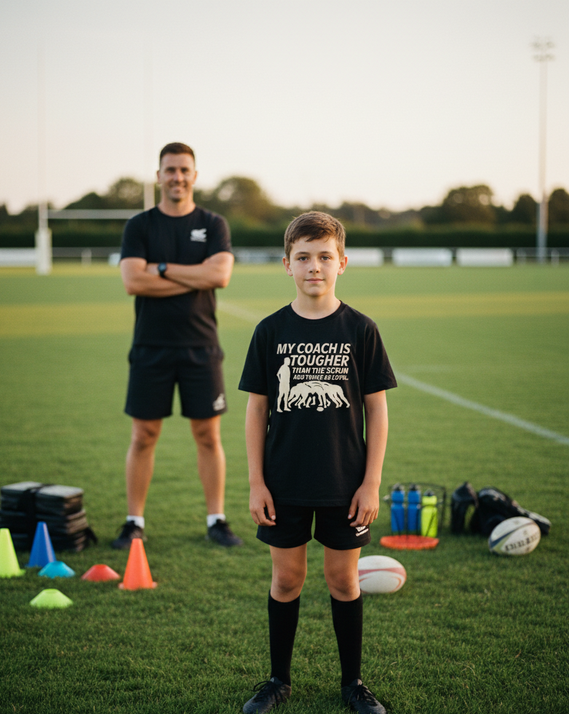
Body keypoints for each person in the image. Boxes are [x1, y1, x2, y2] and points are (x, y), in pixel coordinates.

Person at [238, 212, 397, 713]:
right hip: (283, 481)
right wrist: (256, 482)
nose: (314, 267)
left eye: (324, 257)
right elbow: (256, 409)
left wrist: (370, 483)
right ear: (286, 264)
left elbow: (377, 409)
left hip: (343, 481)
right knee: (286, 579)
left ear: (342, 263)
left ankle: (353, 683)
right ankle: (277, 679)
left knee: (343, 580)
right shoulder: (270, 331)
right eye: (303, 257)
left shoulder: (361, 330)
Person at [113, 142, 242, 550]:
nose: (177, 177)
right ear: (158, 176)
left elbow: (219, 276)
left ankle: (216, 520)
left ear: (195, 176)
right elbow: (133, 281)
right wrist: (194, 274)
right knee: (144, 435)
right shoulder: (140, 226)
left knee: (207, 435)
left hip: (201, 347)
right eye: (170, 170)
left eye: (184, 170)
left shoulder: (213, 224)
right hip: (150, 347)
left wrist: (163, 269)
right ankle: (134, 521)